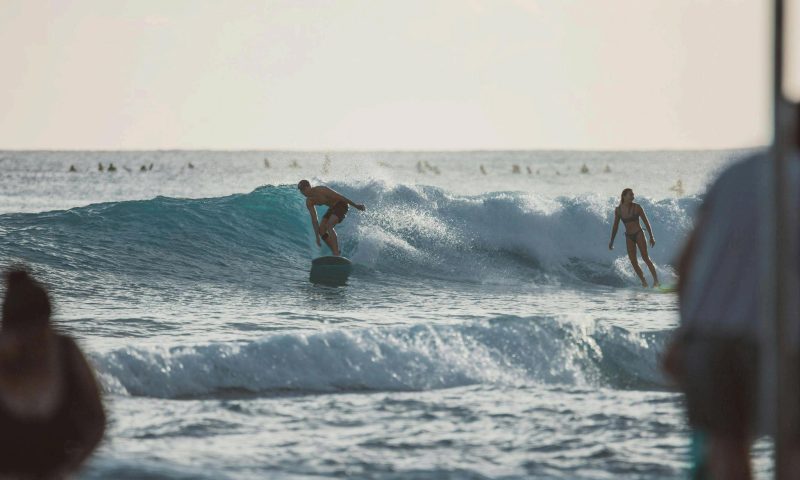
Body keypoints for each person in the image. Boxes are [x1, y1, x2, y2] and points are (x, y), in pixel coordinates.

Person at [662, 143, 800, 479]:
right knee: (793, 448)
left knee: (726, 448)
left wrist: (683, 336)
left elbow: (685, 263)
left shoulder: (735, 173)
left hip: (711, 339)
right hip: (782, 339)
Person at [0, 269, 106, 478]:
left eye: (41, 329)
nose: (34, 339)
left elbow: (97, 420)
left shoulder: (66, 352)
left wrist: (69, 467)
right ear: (9, 327)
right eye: (25, 332)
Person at [298, 180, 366, 256]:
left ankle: (335, 253)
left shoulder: (321, 190)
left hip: (341, 204)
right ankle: (336, 251)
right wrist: (317, 237)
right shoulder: (309, 202)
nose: (303, 192)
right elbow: (314, 220)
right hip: (332, 208)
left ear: (309, 186)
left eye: (304, 189)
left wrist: (356, 206)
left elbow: (340, 197)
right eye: (301, 190)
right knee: (321, 230)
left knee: (329, 225)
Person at [608, 188, 660, 287]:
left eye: (633, 195)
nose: (633, 197)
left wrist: (651, 237)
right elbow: (615, 226)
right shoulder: (618, 210)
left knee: (645, 257)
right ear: (624, 196)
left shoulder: (637, 207)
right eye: (630, 195)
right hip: (629, 236)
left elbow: (646, 222)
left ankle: (656, 281)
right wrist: (611, 241)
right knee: (633, 261)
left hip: (639, 233)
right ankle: (644, 282)